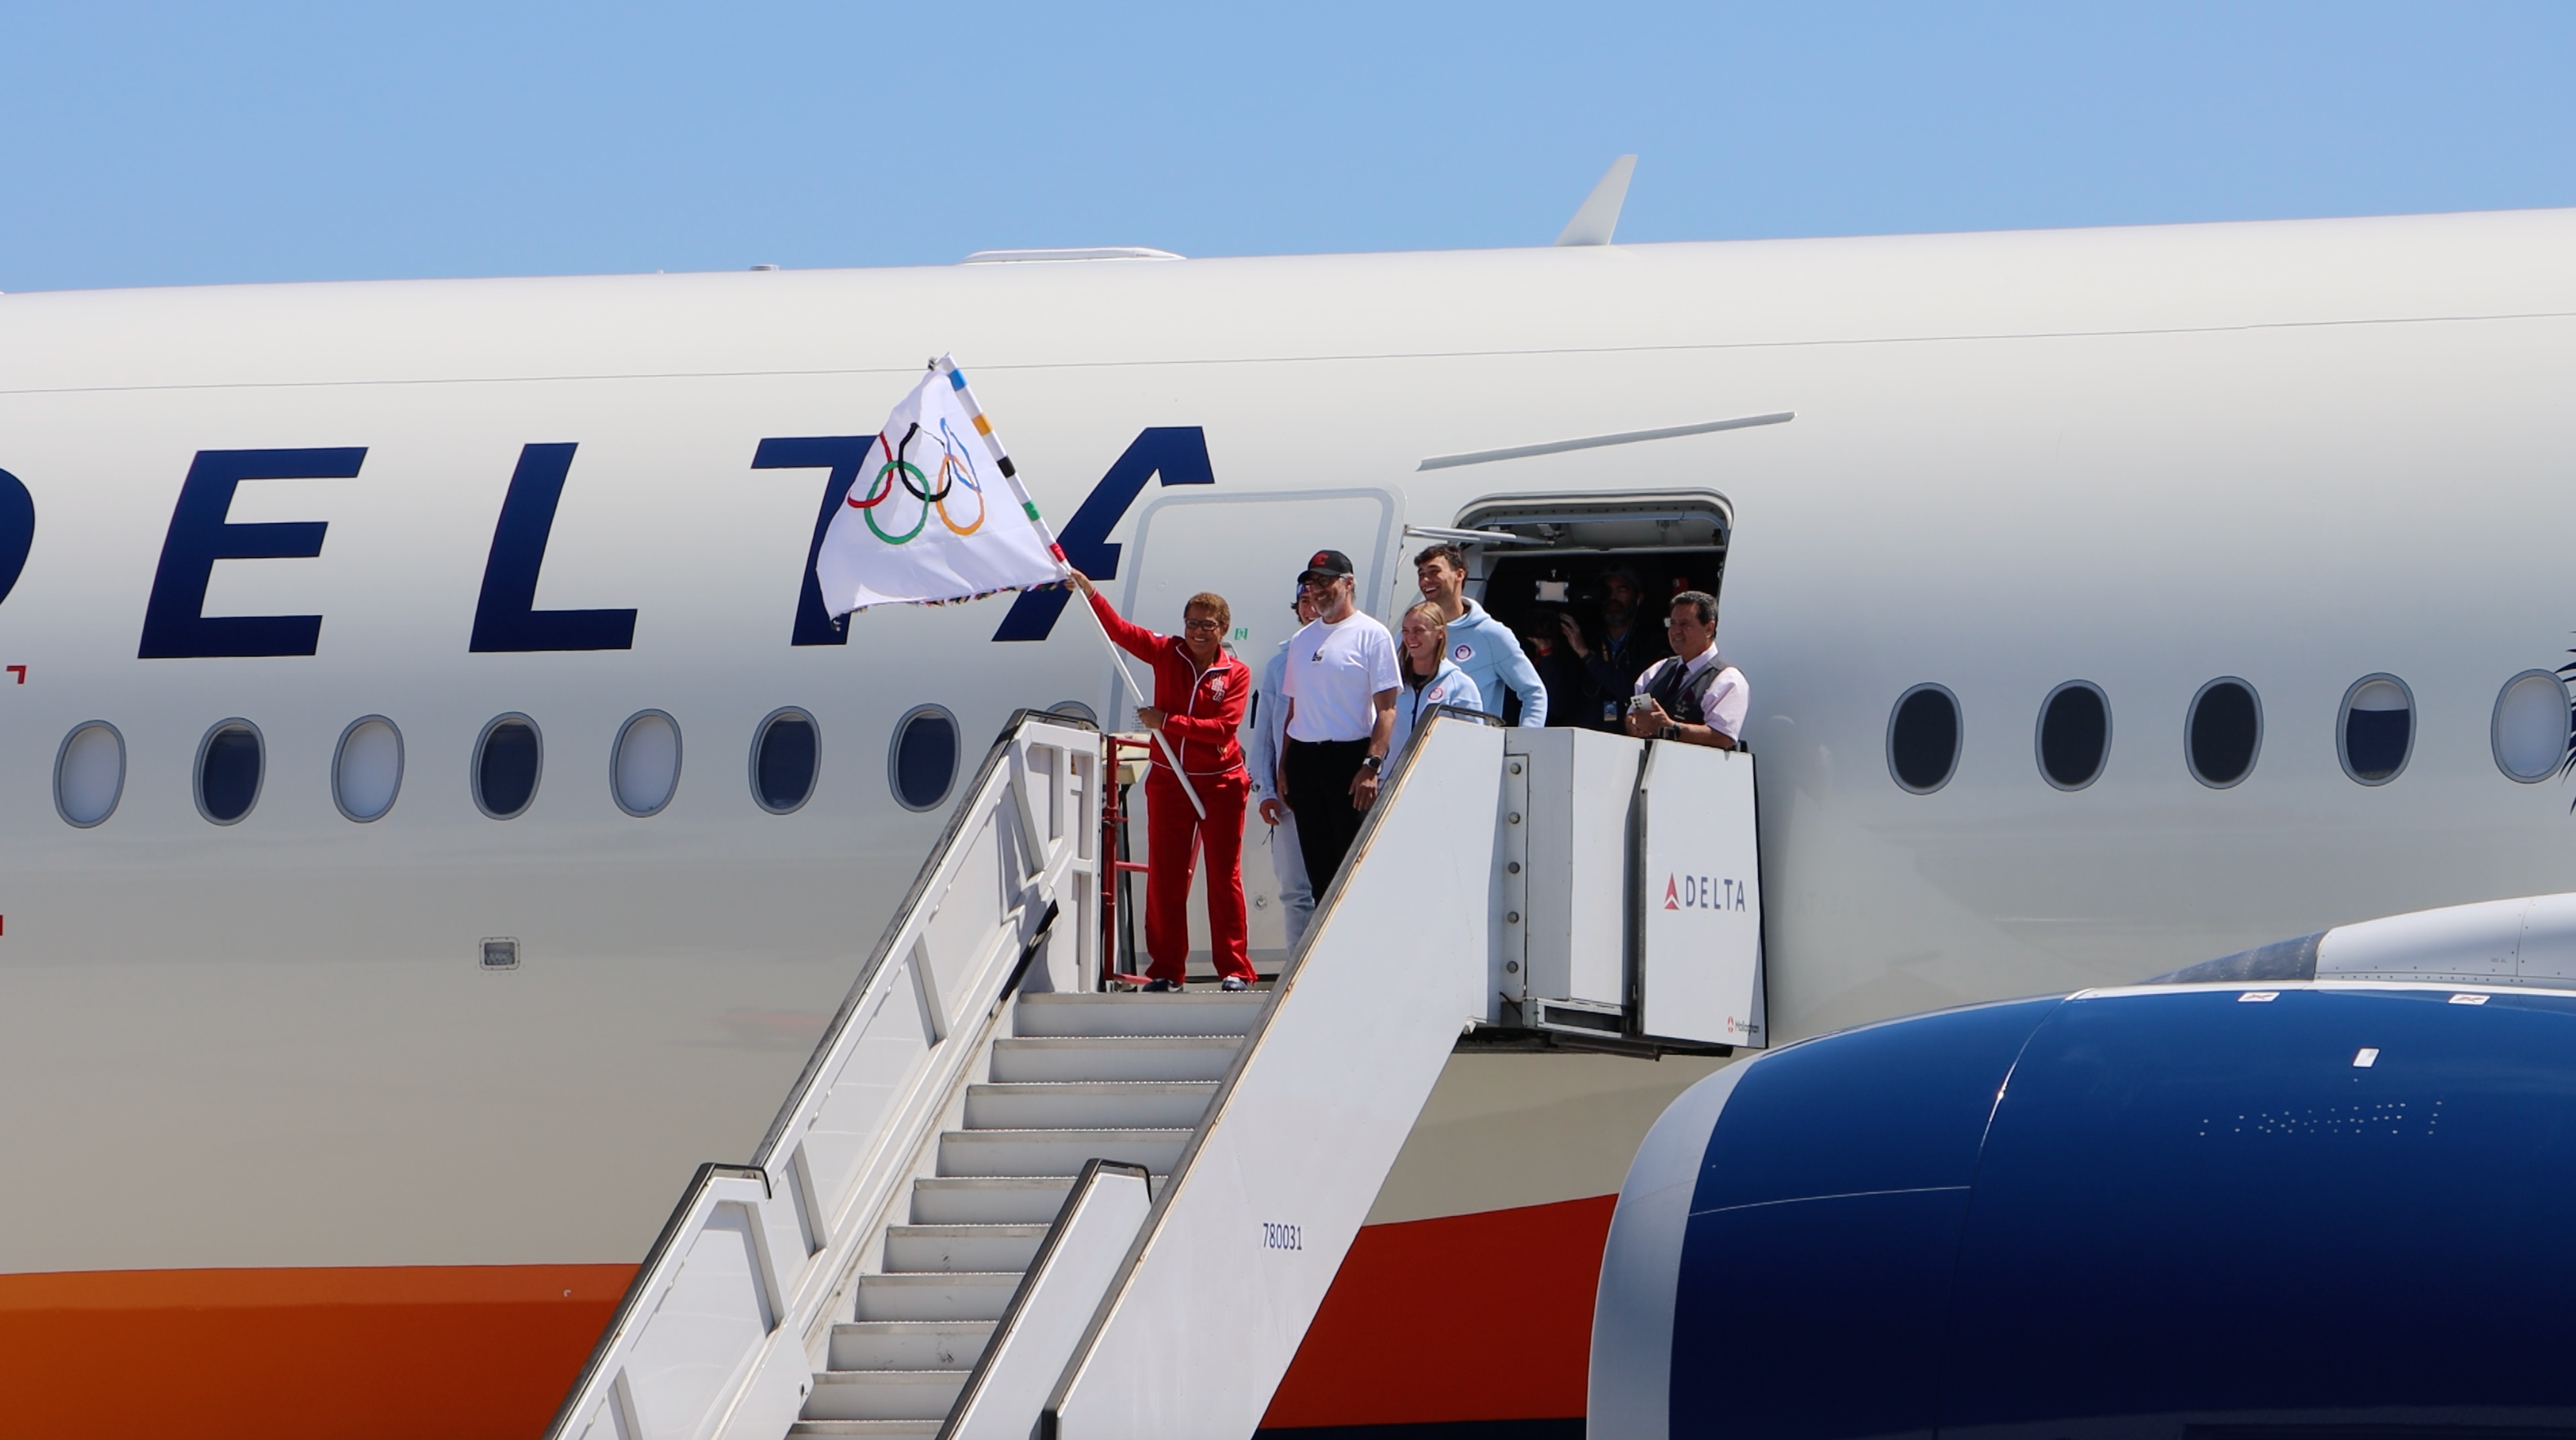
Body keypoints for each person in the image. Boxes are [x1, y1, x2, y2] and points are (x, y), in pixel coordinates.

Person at [1069, 570, 1256, 993]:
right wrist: (1090, 591)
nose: (1197, 632)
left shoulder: (1236, 673)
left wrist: (1166, 721)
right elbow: (1120, 632)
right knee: (1166, 877)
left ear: (1223, 628)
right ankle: (1168, 970)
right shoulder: (1166, 652)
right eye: (1191, 623)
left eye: (1207, 625)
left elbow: (1223, 729)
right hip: (1171, 780)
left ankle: (1236, 969)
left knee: (1223, 877)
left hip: (1221, 783)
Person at [1281, 548, 1400, 892]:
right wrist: (1285, 766)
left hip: (1348, 760)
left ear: (1348, 584)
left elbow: (1388, 708)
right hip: (1305, 759)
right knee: (1318, 871)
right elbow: (1294, 710)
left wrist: (1371, 765)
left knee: (1352, 869)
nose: (1317, 590)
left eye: (1325, 581)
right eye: (1311, 583)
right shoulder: (1301, 640)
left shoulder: (1371, 634)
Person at [1249, 583, 1322, 949]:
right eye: (1304, 603)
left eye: (1317, 601)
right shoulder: (1280, 665)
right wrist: (1264, 788)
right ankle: (1297, 968)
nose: (1311, 610)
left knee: (1333, 884)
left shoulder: (1355, 652)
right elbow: (1264, 734)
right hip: (1289, 792)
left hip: (1332, 789)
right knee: (1295, 891)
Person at [1414, 543, 1547, 727]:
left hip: (1471, 750)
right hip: (1413, 751)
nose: (1425, 580)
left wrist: (1525, 742)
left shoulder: (1490, 634)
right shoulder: (1410, 633)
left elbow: (1534, 692)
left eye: (1434, 572)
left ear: (1459, 574)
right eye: (1421, 574)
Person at [1625, 590, 1748, 749]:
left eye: (1684, 624)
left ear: (1709, 628)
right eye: (1672, 623)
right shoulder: (1657, 669)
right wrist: (1634, 725)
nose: (1675, 631)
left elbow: (1722, 737)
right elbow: (1631, 714)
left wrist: (1671, 728)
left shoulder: (1728, 680)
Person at [1557, 566, 1665, 731]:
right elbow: (1559, 705)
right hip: (1584, 743)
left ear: (1639, 598)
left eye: (1622, 590)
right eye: (1606, 590)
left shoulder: (1651, 643)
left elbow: (1633, 692)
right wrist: (1547, 654)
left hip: (1630, 745)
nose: (1613, 597)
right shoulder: (1584, 639)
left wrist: (1587, 655)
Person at [1391, 601, 1480, 756]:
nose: (1410, 638)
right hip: (1391, 778)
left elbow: (1474, 743)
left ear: (1440, 633)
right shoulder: (1393, 682)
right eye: (1405, 631)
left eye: (1418, 631)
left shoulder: (1460, 686)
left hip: (1436, 778)